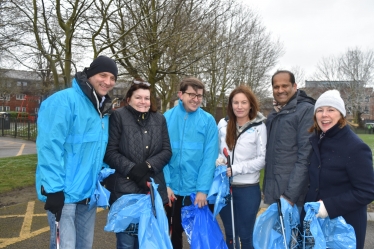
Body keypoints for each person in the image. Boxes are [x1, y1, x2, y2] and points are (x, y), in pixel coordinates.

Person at [35, 55, 118, 249]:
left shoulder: (101, 108)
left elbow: (96, 148)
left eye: (112, 78)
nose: (108, 82)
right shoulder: (63, 101)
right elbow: (49, 147)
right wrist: (54, 189)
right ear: (89, 74)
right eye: (103, 75)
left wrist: (105, 175)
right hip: (63, 193)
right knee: (65, 246)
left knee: (84, 245)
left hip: (87, 193)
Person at [104, 79, 172, 249]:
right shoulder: (118, 117)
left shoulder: (160, 119)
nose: (143, 102)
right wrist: (133, 170)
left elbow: (166, 151)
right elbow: (110, 152)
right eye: (138, 97)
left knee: (149, 243)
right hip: (125, 192)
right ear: (129, 99)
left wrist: (148, 166)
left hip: (152, 190)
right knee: (126, 243)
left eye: (147, 98)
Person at [304, 89, 374, 249]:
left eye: (331, 110)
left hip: (345, 228)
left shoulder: (355, 147)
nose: (324, 115)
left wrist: (329, 206)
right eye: (320, 110)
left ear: (341, 114)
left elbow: (367, 191)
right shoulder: (317, 140)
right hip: (319, 225)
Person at [163, 77, 218, 249]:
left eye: (199, 96)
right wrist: (166, 184)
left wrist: (202, 189)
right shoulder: (166, 118)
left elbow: (210, 158)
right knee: (172, 234)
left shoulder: (208, 121)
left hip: (195, 192)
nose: (196, 99)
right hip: (171, 190)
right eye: (191, 94)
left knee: (199, 236)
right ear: (180, 94)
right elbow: (160, 154)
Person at [216, 85, 267, 249]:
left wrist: (236, 169)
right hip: (225, 188)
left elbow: (262, 159)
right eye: (235, 102)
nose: (239, 106)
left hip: (248, 189)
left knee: (246, 236)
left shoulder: (259, 126)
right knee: (230, 235)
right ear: (230, 104)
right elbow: (217, 151)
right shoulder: (222, 124)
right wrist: (218, 161)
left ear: (251, 104)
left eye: (243, 102)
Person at [263, 70, 315, 211]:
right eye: (276, 87)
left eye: (284, 86)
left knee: (292, 233)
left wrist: (290, 196)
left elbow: (305, 157)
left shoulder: (306, 111)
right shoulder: (275, 113)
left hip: (292, 198)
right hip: (273, 193)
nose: (280, 90)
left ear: (294, 86)